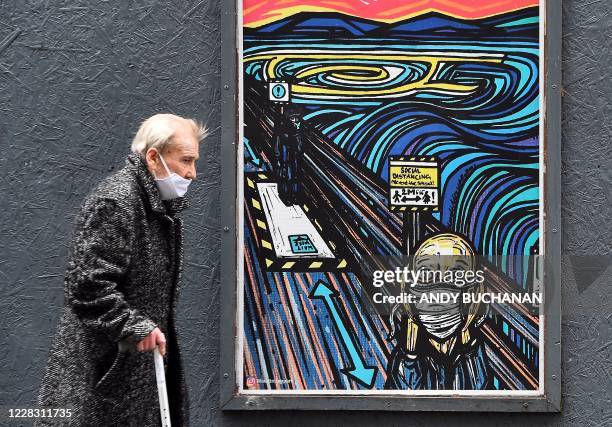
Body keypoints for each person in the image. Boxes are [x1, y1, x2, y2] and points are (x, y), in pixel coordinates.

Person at [35, 114, 208, 426]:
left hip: (129, 376)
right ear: (154, 157)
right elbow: (87, 286)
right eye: (186, 161)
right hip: (101, 379)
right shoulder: (117, 202)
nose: (192, 173)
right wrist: (134, 326)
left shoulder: (153, 206)